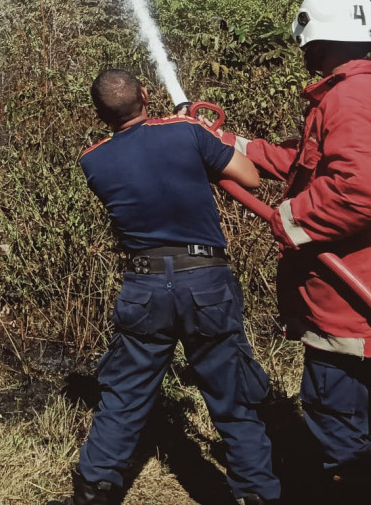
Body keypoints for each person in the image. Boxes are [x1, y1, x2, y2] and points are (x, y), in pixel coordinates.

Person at [47, 69, 280, 505]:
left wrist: (185, 130)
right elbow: (249, 178)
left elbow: (145, 158)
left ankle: (94, 490)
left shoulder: (92, 160)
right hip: (206, 283)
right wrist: (205, 132)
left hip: (144, 286)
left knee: (124, 395)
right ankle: (256, 494)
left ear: (99, 113)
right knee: (231, 397)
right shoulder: (186, 132)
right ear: (146, 95)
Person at [239, 0, 371, 503]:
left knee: (343, 438)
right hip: (353, 307)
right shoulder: (354, 93)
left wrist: (291, 219)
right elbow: (309, 165)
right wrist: (238, 145)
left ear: (316, 37)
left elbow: (359, 188)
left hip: (349, 308)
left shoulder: (349, 97)